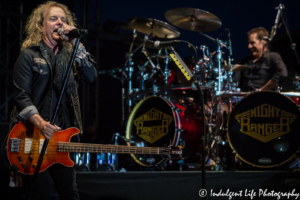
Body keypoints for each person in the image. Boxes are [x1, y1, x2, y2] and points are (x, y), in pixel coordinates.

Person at [11, 1, 97, 199]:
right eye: (53, 19)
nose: (60, 22)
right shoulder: (29, 56)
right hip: (31, 136)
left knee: (70, 194)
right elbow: (21, 97)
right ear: (41, 26)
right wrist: (41, 123)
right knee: (39, 194)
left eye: (63, 19)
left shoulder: (70, 57)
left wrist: (76, 42)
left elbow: (91, 76)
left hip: (61, 138)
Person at [233, 27, 287, 91]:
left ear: (264, 42)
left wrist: (261, 90)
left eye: (252, 43)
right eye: (248, 43)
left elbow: (282, 73)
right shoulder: (245, 61)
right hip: (245, 99)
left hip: (265, 98)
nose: (249, 46)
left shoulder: (273, 56)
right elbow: (234, 81)